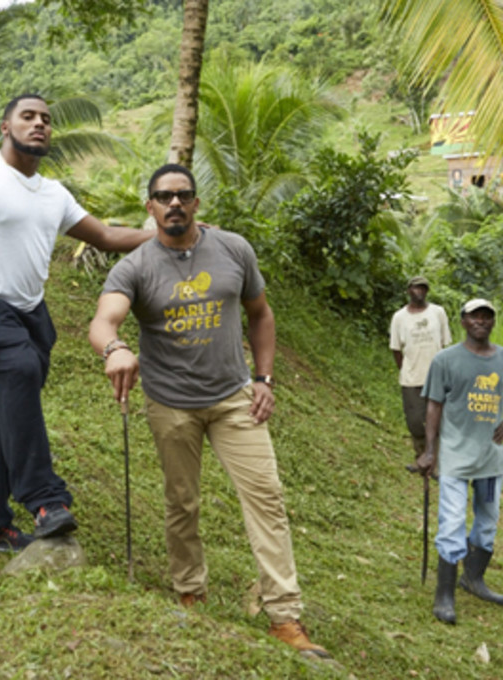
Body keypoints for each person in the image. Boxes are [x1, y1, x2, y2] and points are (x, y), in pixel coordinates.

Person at [87, 164, 331, 659]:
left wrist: (264, 379)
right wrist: (114, 348)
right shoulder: (134, 266)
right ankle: (190, 592)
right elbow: (103, 319)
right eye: (163, 196)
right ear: (149, 206)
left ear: (196, 203)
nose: (174, 203)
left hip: (232, 400)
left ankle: (284, 617)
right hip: (170, 404)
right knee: (183, 503)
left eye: (183, 195)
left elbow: (260, 313)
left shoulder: (233, 249)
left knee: (267, 497)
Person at [0, 94, 155, 553]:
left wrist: (167, 236)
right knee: (22, 373)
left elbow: (106, 236)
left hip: (32, 314)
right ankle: (45, 500)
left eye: (46, 119)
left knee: (9, 409)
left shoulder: (53, 193)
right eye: (28, 117)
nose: (39, 124)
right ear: (5, 127)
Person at [416, 299, 503, 625]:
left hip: (490, 461)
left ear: (493, 322)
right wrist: (430, 451)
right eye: (475, 316)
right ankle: (444, 595)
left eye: (487, 317)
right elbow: (433, 406)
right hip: (456, 460)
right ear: (463, 321)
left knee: (486, 523)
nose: (481, 321)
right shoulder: (446, 360)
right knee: (453, 522)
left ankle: (473, 579)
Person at [389, 275, 452, 471]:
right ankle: (421, 456)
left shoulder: (438, 312)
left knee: (438, 421)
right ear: (408, 291)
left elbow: (445, 344)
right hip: (411, 377)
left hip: (436, 377)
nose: (419, 292)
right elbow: (396, 349)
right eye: (416, 288)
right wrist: (406, 369)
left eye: (423, 288)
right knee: (415, 421)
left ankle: (436, 464)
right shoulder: (399, 317)